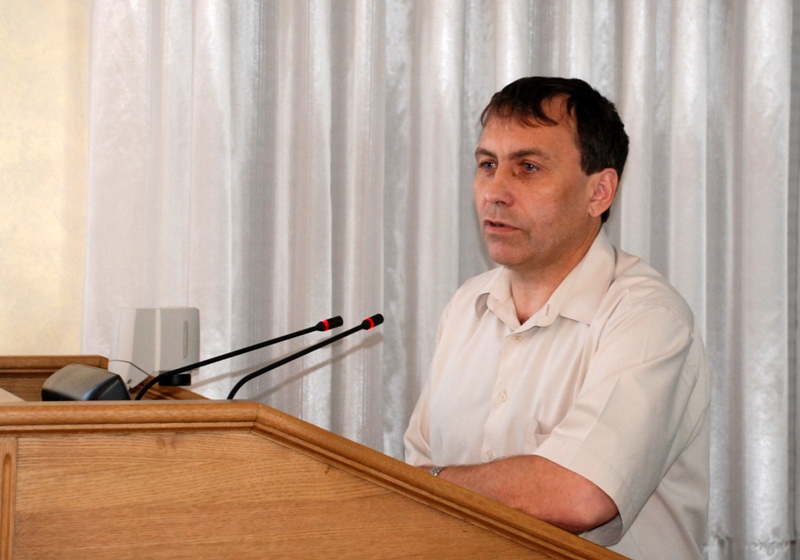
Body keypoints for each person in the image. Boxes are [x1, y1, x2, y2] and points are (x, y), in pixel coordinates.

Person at [404, 77, 709, 560]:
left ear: (599, 192)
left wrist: (430, 484)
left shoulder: (648, 318)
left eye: (527, 167)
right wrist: (420, 485)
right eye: (487, 165)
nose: (495, 192)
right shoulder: (466, 306)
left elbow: (580, 494)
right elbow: (415, 475)